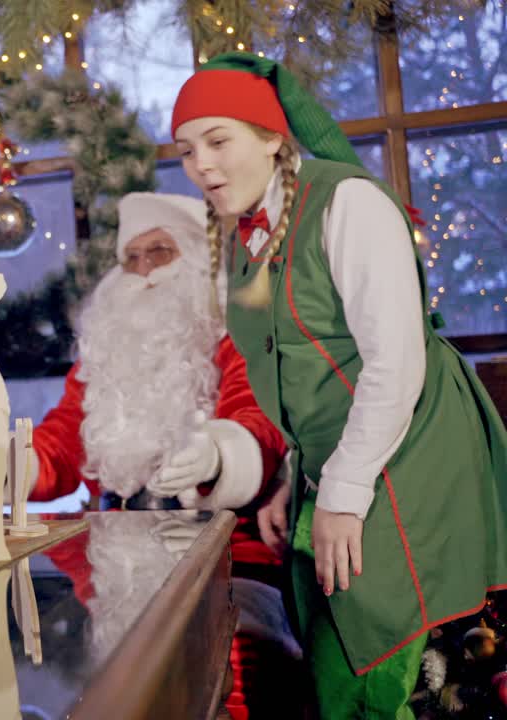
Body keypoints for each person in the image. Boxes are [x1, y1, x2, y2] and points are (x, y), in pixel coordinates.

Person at [171, 51, 507, 719]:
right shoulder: (245, 234)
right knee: (334, 637)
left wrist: (345, 494)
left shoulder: (347, 201)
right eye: (185, 149)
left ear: (272, 137)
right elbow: (297, 367)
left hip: (413, 447)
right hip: (342, 456)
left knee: (385, 638)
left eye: (218, 140)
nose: (200, 165)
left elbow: (394, 363)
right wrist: (291, 480)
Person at [25, 192, 299, 720]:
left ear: (197, 259)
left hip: (229, 550)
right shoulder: (105, 354)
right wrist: (12, 465)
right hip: (120, 555)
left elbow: (256, 418)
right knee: (107, 682)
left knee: (234, 674)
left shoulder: (232, 336)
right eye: (132, 257)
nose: (145, 270)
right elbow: (62, 438)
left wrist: (219, 456)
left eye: (161, 251)